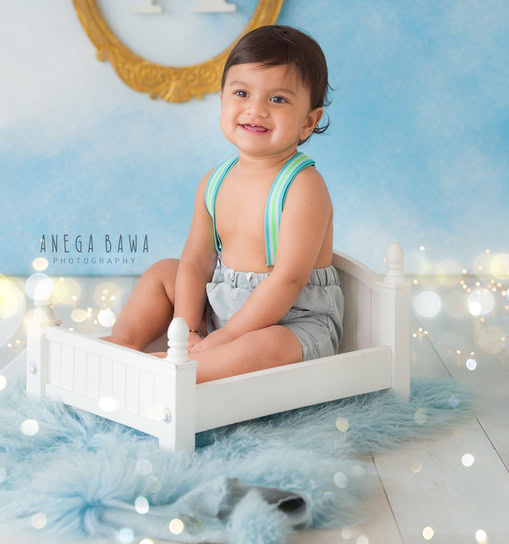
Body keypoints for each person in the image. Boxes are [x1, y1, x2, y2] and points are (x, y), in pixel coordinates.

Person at [100, 25, 343, 383]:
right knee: (165, 272)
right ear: (223, 100)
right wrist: (192, 329)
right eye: (242, 93)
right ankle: (122, 345)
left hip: (293, 320)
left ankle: (172, 374)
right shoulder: (214, 181)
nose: (256, 109)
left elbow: (289, 279)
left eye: (277, 99)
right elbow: (198, 261)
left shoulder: (303, 186)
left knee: (266, 345)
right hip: (224, 309)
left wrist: (226, 338)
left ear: (308, 122)